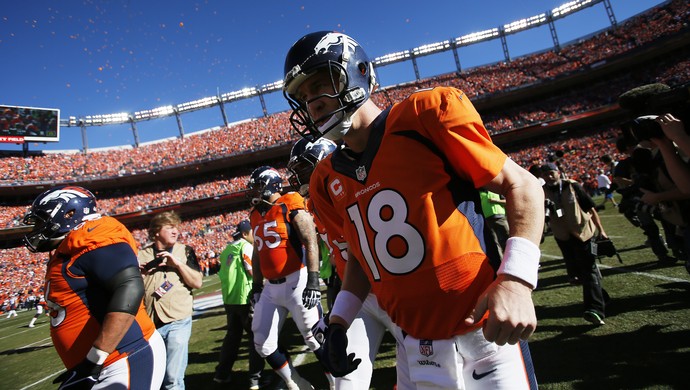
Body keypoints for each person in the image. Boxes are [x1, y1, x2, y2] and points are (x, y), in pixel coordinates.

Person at [283, 31, 542, 389]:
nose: (313, 102)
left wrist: (515, 280)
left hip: (483, 333)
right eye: (304, 96)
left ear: (356, 72)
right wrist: (339, 322)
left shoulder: (424, 116)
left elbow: (523, 185)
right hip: (415, 345)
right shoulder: (324, 180)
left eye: (320, 84)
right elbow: (359, 258)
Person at [287, 138, 409, 389]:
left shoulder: (354, 189)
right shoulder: (313, 205)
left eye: (305, 169)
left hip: (394, 290)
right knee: (346, 378)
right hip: (359, 298)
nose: (299, 178)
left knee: (421, 375)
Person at [22, 185, 165, 389]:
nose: (38, 228)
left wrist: (93, 359)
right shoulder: (69, 248)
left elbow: (129, 287)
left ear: (69, 213)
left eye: (42, 220)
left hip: (124, 356)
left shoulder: (93, 235)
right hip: (104, 362)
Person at [247, 165, 333, 390]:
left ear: (268, 184)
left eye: (257, 186)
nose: (254, 192)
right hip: (270, 288)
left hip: (298, 280)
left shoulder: (290, 202)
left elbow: (310, 240)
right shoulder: (255, 214)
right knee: (262, 343)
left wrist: (313, 280)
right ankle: (296, 383)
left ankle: (337, 383)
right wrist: (256, 286)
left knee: (315, 337)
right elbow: (257, 252)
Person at [138, 211, 203, 390]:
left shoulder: (185, 251)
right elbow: (134, 291)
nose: (175, 231)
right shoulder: (141, 255)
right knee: (154, 378)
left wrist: (178, 265)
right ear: (156, 231)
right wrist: (139, 275)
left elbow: (197, 282)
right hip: (151, 323)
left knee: (173, 378)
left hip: (178, 319)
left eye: (176, 228)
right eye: (170, 228)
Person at [541, 163, 610, 325]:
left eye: (551, 173)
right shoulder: (542, 192)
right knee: (577, 273)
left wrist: (601, 230)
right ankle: (602, 297)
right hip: (563, 237)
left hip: (583, 233)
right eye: (545, 175)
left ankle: (594, 310)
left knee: (588, 270)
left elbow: (590, 208)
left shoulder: (572, 186)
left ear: (558, 173)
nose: (549, 177)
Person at [214, 220, 264, 389]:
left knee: (232, 338)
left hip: (230, 300)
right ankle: (255, 379)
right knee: (255, 338)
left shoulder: (227, 249)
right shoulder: (246, 246)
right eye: (252, 232)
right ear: (245, 234)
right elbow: (251, 270)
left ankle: (222, 373)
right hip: (245, 297)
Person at [479, 189, 510, 264]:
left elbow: (506, 201)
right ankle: (501, 262)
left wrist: (496, 201)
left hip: (500, 218)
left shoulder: (496, 190)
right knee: (495, 242)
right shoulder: (480, 194)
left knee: (508, 239)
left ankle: (510, 258)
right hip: (488, 220)